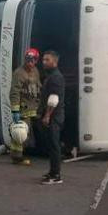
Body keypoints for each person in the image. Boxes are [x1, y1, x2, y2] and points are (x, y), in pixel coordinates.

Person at [9, 48, 42, 165]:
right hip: (23, 108)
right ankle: (16, 157)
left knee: (35, 132)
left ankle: (34, 151)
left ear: (36, 60)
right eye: (28, 59)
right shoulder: (19, 73)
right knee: (21, 131)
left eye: (32, 60)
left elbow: (38, 87)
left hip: (34, 107)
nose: (30, 62)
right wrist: (15, 110)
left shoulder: (35, 71)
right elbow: (14, 92)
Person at [38, 50, 65, 185]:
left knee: (54, 146)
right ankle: (52, 171)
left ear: (54, 62)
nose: (44, 62)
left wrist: (47, 115)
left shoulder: (56, 77)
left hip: (54, 117)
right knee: (51, 145)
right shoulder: (52, 76)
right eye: (43, 60)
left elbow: (54, 99)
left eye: (46, 60)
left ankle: (56, 175)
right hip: (53, 116)